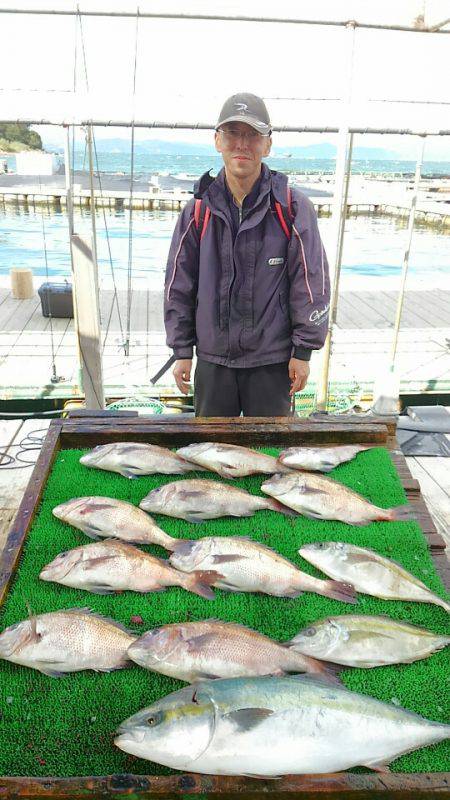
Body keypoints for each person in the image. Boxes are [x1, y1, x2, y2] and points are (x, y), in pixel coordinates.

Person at [164, 92, 330, 416]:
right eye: (233, 133)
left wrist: (304, 351)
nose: (242, 144)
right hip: (213, 362)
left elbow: (310, 283)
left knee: (272, 455)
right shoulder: (197, 212)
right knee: (210, 457)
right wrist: (182, 349)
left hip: (272, 362)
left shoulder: (292, 208)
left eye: (253, 134)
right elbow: (178, 284)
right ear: (217, 140)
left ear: (268, 145)